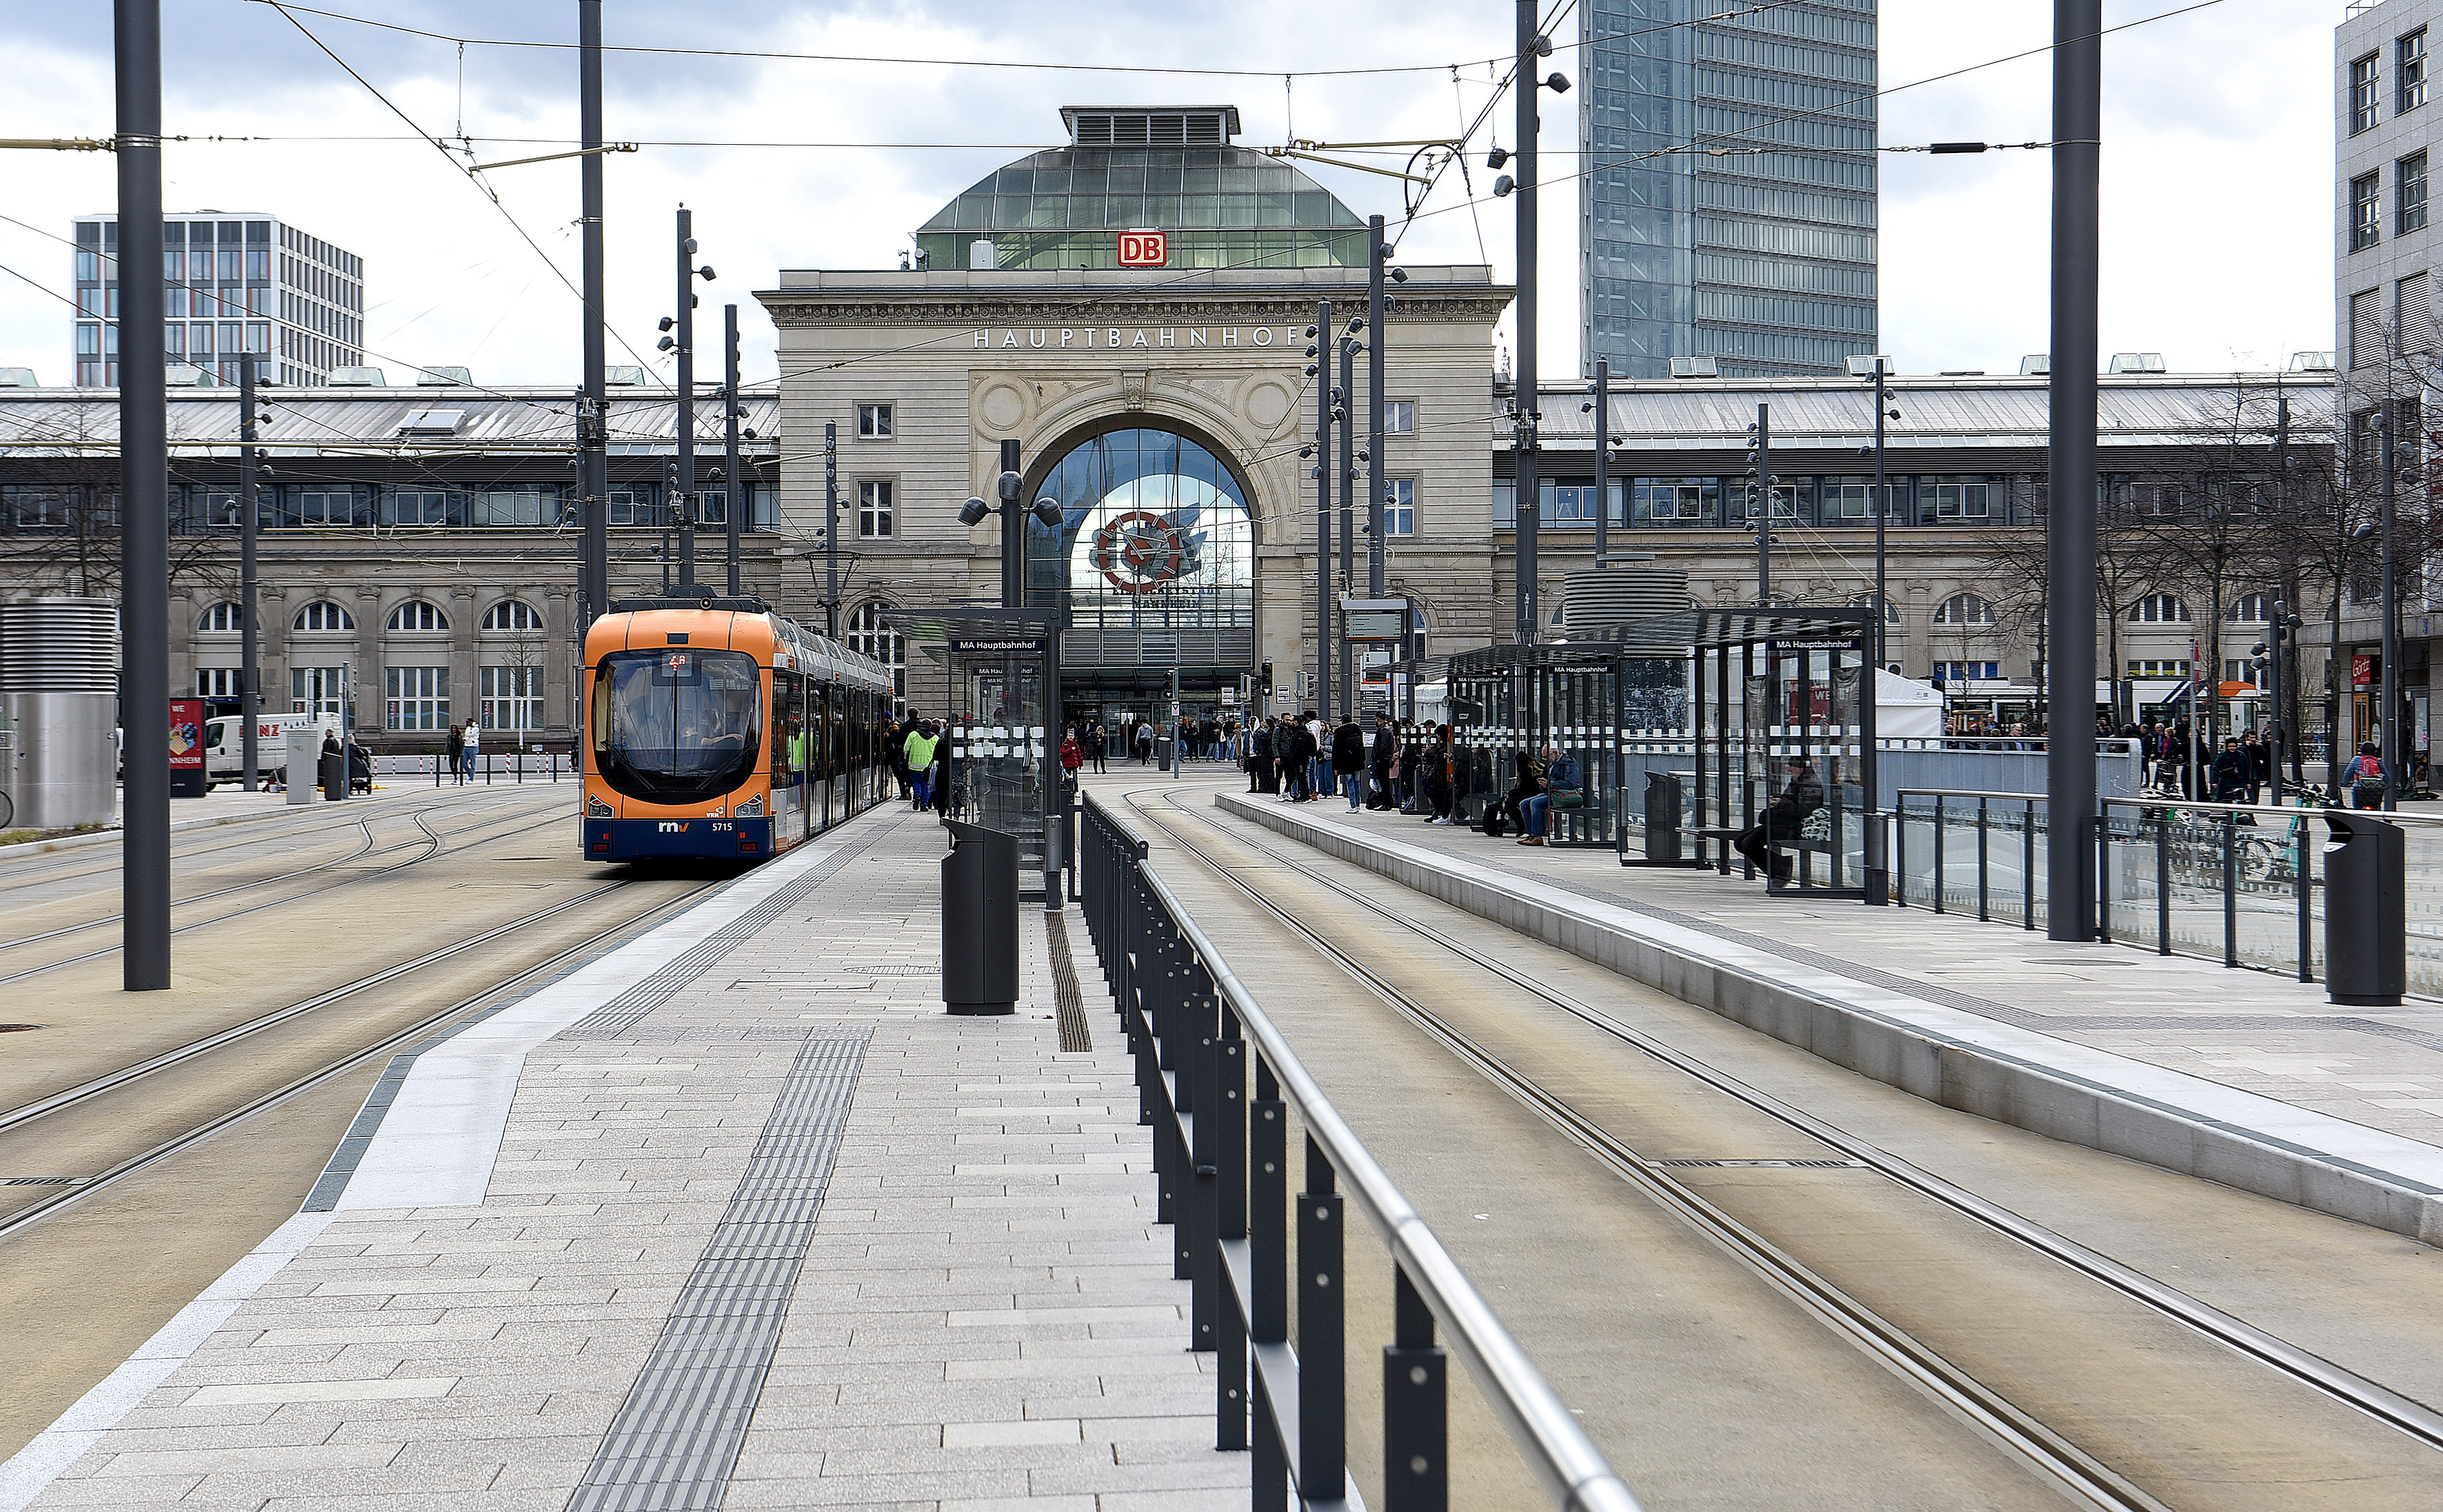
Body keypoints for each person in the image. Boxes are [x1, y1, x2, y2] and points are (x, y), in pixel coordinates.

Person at [1736, 758, 1825, 881]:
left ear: (1802, 768)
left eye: (1792, 766)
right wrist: (1777, 803)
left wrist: (1780, 803)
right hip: (1785, 824)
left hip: (1798, 828)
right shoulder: (1797, 782)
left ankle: (1781, 871)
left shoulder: (1810, 784)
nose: (1789, 770)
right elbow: (1790, 803)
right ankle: (1781, 867)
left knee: (1749, 843)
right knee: (1740, 842)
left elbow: (1804, 812)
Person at [1519, 744, 1583, 846]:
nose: (1545, 759)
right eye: (1544, 757)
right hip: (1552, 793)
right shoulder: (1550, 765)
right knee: (1524, 804)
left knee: (1535, 804)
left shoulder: (1568, 763)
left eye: (1547, 757)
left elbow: (1571, 783)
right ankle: (1532, 835)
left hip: (1563, 795)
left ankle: (1537, 836)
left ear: (1555, 753)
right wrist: (1543, 784)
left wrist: (1550, 784)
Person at [1331, 714, 1367, 811]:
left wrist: (1335, 767)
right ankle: (1358, 805)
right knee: (1357, 783)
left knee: (1350, 783)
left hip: (1345, 762)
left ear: (1342, 721)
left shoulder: (1339, 733)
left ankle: (1353, 805)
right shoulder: (1358, 730)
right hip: (1358, 761)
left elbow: (1336, 751)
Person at [1423, 725, 1456, 825]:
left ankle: (1440, 812)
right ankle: (1438, 811)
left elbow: (1440, 758)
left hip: (1442, 773)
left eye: (1438, 735)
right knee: (1433, 790)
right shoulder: (1441, 745)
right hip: (1439, 773)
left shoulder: (1447, 746)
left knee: (1441, 793)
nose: (1437, 737)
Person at [904, 720, 941, 810]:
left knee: (916, 782)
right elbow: (937, 752)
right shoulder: (935, 738)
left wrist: (906, 759)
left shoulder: (914, 735)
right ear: (930, 726)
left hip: (914, 764)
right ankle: (924, 805)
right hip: (928, 766)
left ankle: (917, 796)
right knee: (926, 785)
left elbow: (906, 748)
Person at [2346, 741, 2387, 809]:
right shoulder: (2378, 761)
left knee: (2358, 809)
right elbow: (2386, 776)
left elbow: (2348, 774)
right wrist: (2386, 785)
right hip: (2376, 789)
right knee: (2376, 807)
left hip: (2359, 788)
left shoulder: (2356, 760)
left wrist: (2345, 783)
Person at [2211, 736, 2251, 805]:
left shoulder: (2241, 755)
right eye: (2230, 746)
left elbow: (2246, 769)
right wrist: (2215, 781)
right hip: (2225, 780)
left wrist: (2248, 782)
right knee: (2224, 800)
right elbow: (2216, 768)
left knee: (2240, 800)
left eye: (2234, 746)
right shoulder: (2222, 755)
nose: (2232, 748)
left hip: (2239, 780)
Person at [461, 718, 481, 782]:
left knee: (473, 763)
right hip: (466, 746)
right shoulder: (468, 728)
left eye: (468, 722)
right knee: (464, 763)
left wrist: (466, 738)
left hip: (473, 746)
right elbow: (466, 735)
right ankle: (469, 774)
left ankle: (471, 778)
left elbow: (470, 734)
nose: (467, 723)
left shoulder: (476, 728)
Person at [445, 720, 465, 785]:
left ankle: (456, 777)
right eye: (453, 728)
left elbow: (462, 744)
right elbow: (447, 744)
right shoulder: (449, 736)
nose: (454, 729)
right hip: (451, 750)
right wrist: (446, 753)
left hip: (457, 751)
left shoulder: (459, 736)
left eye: (455, 728)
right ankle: (454, 775)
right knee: (451, 764)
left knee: (455, 764)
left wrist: (462, 752)